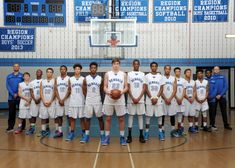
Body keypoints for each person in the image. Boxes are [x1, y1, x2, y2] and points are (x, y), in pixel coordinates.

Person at [101, 58, 128, 146]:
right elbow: (104, 87)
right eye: (114, 63)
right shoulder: (107, 74)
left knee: (121, 118)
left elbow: (126, 87)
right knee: (108, 118)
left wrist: (120, 93)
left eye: (117, 63)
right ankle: (107, 137)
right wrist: (110, 93)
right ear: (112, 65)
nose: (116, 65)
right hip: (109, 98)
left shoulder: (123, 74)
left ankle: (122, 137)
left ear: (119, 65)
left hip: (120, 99)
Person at [81, 62, 105, 143]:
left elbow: (101, 89)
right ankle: (87, 135)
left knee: (100, 118)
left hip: (97, 100)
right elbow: (84, 89)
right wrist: (88, 96)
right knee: (87, 118)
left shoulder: (100, 78)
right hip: (88, 100)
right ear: (89, 68)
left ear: (96, 69)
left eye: (94, 68)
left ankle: (102, 135)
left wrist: (97, 96)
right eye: (92, 68)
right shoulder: (86, 78)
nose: (93, 69)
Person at [126, 59, 146, 143]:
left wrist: (139, 98)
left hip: (140, 100)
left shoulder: (143, 74)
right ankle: (129, 135)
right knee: (130, 116)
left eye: (138, 64)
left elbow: (144, 87)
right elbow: (128, 87)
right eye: (135, 64)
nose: (136, 65)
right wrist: (133, 97)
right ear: (133, 65)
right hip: (131, 99)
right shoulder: (129, 74)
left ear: (139, 65)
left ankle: (141, 135)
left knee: (140, 117)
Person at [144, 62, 165, 141]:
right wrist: (151, 97)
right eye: (152, 66)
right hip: (149, 100)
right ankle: (146, 132)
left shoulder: (160, 76)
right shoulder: (147, 76)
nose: (154, 67)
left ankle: (160, 133)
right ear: (150, 67)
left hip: (158, 100)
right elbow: (146, 88)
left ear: (157, 67)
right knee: (148, 116)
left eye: (155, 66)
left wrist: (156, 97)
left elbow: (161, 88)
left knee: (159, 116)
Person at [66, 63, 85, 141]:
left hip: (81, 101)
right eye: (76, 69)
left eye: (78, 69)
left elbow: (85, 90)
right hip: (72, 101)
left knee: (82, 119)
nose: (77, 70)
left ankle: (83, 133)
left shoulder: (83, 79)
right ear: (74, 70)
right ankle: (72, 133)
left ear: (80, 70)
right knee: (72, 119)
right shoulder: (70, 79)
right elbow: (69, 90)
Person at [6, 63, 24, 132]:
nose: (16, 67)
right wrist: (13, 94)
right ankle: (10, 127)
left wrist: (17, 93)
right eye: (14, 66)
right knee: (11, 113)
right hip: (11, 98)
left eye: (17, 66)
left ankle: (22, 127)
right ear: (13, 67)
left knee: (22, 113)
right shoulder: (9, 76)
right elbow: (7, 86)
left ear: (19, 67)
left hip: (20, 98)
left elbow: (23, 85)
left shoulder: (22, 76)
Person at [162, 65, 178, 138]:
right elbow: (160, 90)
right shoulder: (161, 78)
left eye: (169, 69)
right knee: (162, 115)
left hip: (172, 100)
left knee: (172, 115)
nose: (167, 70)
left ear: (170, 70)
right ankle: (162, 131)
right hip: (163, 99)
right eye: (166, 69)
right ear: (164, 69)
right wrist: (165, 99)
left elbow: (175, 90)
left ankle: (173, 131)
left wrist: (170, 99)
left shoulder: (173, 78)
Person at [54, 65, 70, 138]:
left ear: (66, 70)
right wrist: (60, 99)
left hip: (67, 100)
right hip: (59, 100)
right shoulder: (57, 79)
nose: (62, 70)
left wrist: (63, 99)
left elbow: (69, 90)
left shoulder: (69, 78)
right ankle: (60, 131)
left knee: (68, 116)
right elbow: (55, 90)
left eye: (64, 69)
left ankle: (70, 132)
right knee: (59, 116)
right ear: (60, 70)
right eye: (61, 69)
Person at [39, 68, 56, 137]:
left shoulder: (54, 81)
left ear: (52, 73)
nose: (49, 73)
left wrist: (50, 101)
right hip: (44, 102)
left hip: (52, 102)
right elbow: (41, 92)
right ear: (46, 73)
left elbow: (55, 92)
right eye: (48, 72)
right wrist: (43, 101)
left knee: (55, 117)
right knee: (43, 117)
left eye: (50, 72)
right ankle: (43, 130)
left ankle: (57, 130)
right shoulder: (42, 81)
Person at [26, 69, 43, 135]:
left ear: (42, 74)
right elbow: (31, 92)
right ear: (36, 73)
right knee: (33, 115)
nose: (38, 73)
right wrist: (35, 99)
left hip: (42, 101)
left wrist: (39, 98)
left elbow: (43, 92)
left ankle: (45, 129)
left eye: (40, 72)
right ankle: (32, 129)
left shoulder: (43, 81)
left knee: (44, 115)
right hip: (34, 101)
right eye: (37, 72)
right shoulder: (32, 82)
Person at [183, 69, 197, 133]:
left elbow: (194, 91)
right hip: (185, 99)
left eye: (190, 72)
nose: (189, 73)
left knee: (191, 114)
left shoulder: (193, 81)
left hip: (192, 100)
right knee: (183, 114)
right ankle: (181, 128)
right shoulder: (182, 81)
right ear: (185, 73)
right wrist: (188, 98)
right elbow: (183, 92)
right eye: (188, 72)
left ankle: (191, 127)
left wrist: (193, 98)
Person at [174, 67, 186, 136]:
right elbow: (173, 90)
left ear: (180, 72)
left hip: (181, 100)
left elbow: (184, 90)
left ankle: (180, 129)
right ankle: (174, 129)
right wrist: (177, 98)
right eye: (176, 71)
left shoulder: (183, 80)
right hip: (175, 100)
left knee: (181, 115)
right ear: (174, 72)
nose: (177, 72)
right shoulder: (173, 79)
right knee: (174, 115)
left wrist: (181, 99)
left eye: (179, 71)